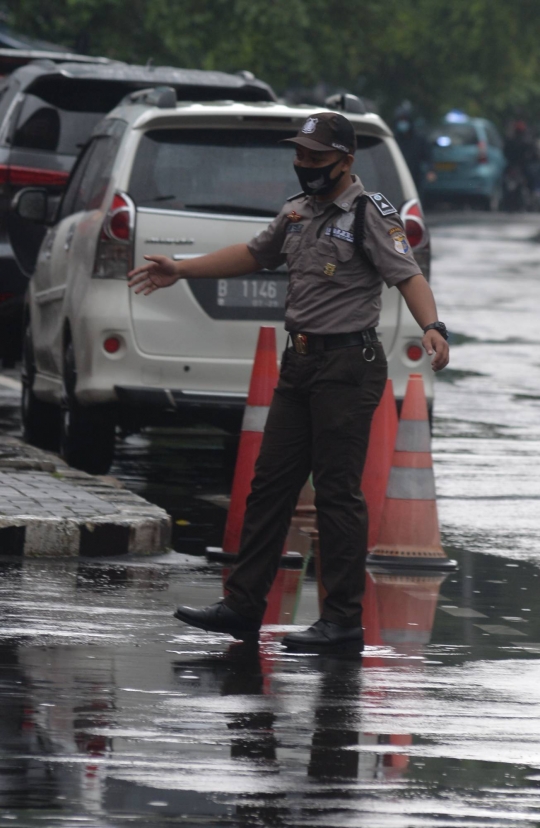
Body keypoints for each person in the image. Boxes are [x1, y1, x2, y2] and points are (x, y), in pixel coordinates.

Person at [128, 112, 449, 651]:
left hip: (348, 366)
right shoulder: (298, 211)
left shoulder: (369, 212)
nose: (304, 166)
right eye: (299, 156)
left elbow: (407, 272)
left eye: (316, 158)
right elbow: (254, 254)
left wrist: (433, 327)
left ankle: (342, 620)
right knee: (269, 485)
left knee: (337, 495)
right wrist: (181, 268)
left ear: (345, 161)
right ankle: (242, 607)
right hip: (299, 364)